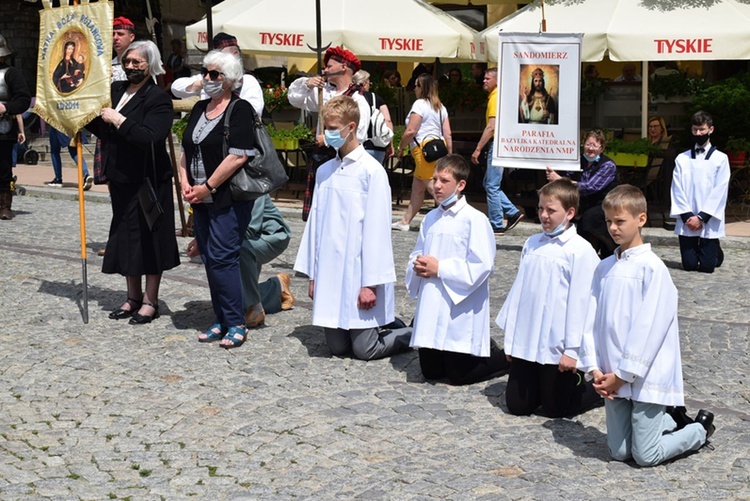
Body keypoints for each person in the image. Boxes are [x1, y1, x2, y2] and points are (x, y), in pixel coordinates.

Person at [579, 185, 715, 467]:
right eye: (609, 222)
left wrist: (624, 373)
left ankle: (698, 430)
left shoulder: (653, 269)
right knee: (619, 452)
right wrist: (595, 369)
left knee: (645, 455)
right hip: (609, 373)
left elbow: (649, 329)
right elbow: (590, 320)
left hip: (643, 375)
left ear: (640, 219)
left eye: (620, 221)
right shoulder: (604, 268)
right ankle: (665, 419)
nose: (613, 228)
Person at [294, 95, 410, 361]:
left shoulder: (371, 172)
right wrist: (314, 276)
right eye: (327, 128)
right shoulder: (325, 172)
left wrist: (371, 284)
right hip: (331, 273)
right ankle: (383, 325)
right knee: (337, 348)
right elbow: (315, 229)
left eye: (334, 129)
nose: (329, 134)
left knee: (364, 349)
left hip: (360, 271)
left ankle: (410, 333)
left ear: (352, 127)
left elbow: (378, 231)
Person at [85, 40, 180, 324]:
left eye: (136, 62)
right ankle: (132, 297)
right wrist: (81, 117)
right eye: (127, 62)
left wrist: (119, 120)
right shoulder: (116, 91)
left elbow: (151, 137)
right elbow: (104, 129)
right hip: (122, 177)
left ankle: (150, 301)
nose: (130, 67)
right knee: (126, 238)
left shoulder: (157, 98)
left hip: (149, 178)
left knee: (150, 239)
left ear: (150, 65)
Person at [497, 178, 601, 416]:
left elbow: (582, 304)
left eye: (551, 210)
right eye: (541, 208)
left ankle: (593, 388)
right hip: (528, 340)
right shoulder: (532, 243)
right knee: (517, 405)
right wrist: (511, 339)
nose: (544, 215)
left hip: (558, 345)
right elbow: (519, 293)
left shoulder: (580, 251)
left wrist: (572, 350)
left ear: (570, 213)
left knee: (556, 409)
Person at [406, 154, 509, 385]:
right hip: (433, 303)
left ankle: (502, 358)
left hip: (458, 307)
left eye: (444, 180)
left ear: (460, 185)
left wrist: (440, 268)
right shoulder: (430, 218)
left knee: (458, 376)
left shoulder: (474, 219)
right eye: (435, 179)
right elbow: (417, 251)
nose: (437, 186)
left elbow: (482, 265)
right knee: (430, 372)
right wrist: (417, 264)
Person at [180, 50, 256, 349]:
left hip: (227, 197)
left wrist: (207, 187)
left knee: (224, 258)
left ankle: (236, 321)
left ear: (230, 80)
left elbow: (238, 157)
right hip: (199, 196)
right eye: (205, 72)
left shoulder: (240, 109)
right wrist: (187, 182)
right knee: (209, 258)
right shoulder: (200, 108)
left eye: (214, 74)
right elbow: (187, 149)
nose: (207, 78)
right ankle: (220, 318)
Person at [186, 194, 294, 328]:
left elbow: (248, 229)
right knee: (235, 299)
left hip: (270, 236)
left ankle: (254, 308)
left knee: (233, 248)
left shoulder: (249, 182)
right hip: (247, 238)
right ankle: (276, 287)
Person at [287, 46, 370, 220]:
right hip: (321, 158)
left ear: (344, 67)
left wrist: (328, 139)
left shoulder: (358, 99)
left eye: (329, 66)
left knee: (337, 211)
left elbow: (359, 134)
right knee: (318, 211)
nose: (325, 70)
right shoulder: (323, 93)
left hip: (344, 160)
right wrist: (307, 84)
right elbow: (294, 99)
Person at [670, 110, 730, 273]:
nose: (698, 133)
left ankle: (715, 250)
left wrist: (702, 217)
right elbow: (677, 188)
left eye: (702, 129)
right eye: (695, 130)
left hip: (708, 218)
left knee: (707, 267)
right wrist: (688, 216)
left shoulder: (721, 159)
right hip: (688, 217)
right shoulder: (682, 158)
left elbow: (720, 189)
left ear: (711, 130)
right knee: (689, 265)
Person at [392, 74, 452, 231]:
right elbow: (448, 134)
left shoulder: (419, 105)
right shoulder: (441, 107)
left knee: (434, 187)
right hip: (439, 149)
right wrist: (450, 154)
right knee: (418, 188)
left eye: (417, 85)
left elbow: (411, 130)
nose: (414, 88)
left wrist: (401, 147)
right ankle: (405, 221)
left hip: (423, 152)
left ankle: (452, 218)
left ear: (423, 88)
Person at [546, 129, 618, 258]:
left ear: (601, 148)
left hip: (606, 204)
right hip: (584, 203)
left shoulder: (608, 165)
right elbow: (567, 176)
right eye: (588, 144)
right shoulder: (577, 160)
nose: (590, 148)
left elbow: (591, 187)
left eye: (594, 145)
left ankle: (601, 251)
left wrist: (560, 180)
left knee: (590, 217)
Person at [471, 67, 524, 235]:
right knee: (489, 183)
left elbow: (491, 126)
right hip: (501, 143)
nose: (484, 81)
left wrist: (478, 148)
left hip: (497, 143)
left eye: (488, 78)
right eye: (484, 78)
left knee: (492, 185)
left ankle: (496, 223)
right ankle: (513, 212)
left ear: (497, 81)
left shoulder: (495, 98)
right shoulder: (499, 96)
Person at [171, 32, 263, 116]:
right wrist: (204, 83)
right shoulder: (207, 77)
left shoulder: (248, 81)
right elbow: (176, 88)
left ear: (235, 54)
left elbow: (255, 110)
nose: (216, 59)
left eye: (221, 56)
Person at [0, 32, 31, 221]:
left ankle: (4, 205)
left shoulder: (11, 73)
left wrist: (6, 107)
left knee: (3, 170)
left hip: (3, 128)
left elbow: (23, 99)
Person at [352, 69, 394, 164]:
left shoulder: (350, 98)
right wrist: (390, 144)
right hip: (377, 147)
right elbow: (387, 121)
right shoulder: (376, 98)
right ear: (365, 83)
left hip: (356, 146)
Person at [111, 17, 136, 83]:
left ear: (131, 37)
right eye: (113, 34)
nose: (115, 37)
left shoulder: (139, 63)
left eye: (120, 34)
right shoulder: (108, 65)